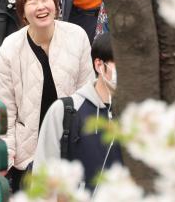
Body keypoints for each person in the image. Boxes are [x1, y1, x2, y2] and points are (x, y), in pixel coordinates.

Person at [0, 0, 94, 192]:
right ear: (22, 13)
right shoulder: (10, 49)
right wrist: (5, 156)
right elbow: (3, 110)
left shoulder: (77, 36)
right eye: (31, 2)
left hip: (69, 148)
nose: (40, 6)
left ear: (56, 4)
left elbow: (87, 94)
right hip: (28, 154)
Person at [33, 32, 123, 192]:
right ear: (99, 65)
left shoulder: (136, 116)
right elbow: (43, 175)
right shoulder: (65, 111)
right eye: (121, 64)